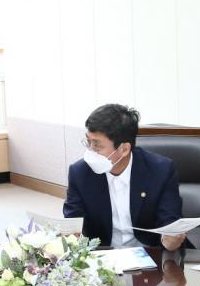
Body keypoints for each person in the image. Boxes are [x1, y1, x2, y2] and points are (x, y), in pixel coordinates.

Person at [63, 104, 186, 251]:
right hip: (104, 254)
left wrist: (170, 239)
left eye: (97, 146)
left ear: (124, 149)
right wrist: (73, 235)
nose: (90, 151)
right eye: (88, 142)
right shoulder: (79, 173)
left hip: (150, 253)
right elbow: (73, 220)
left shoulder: (161, 170)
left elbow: (169, 220)